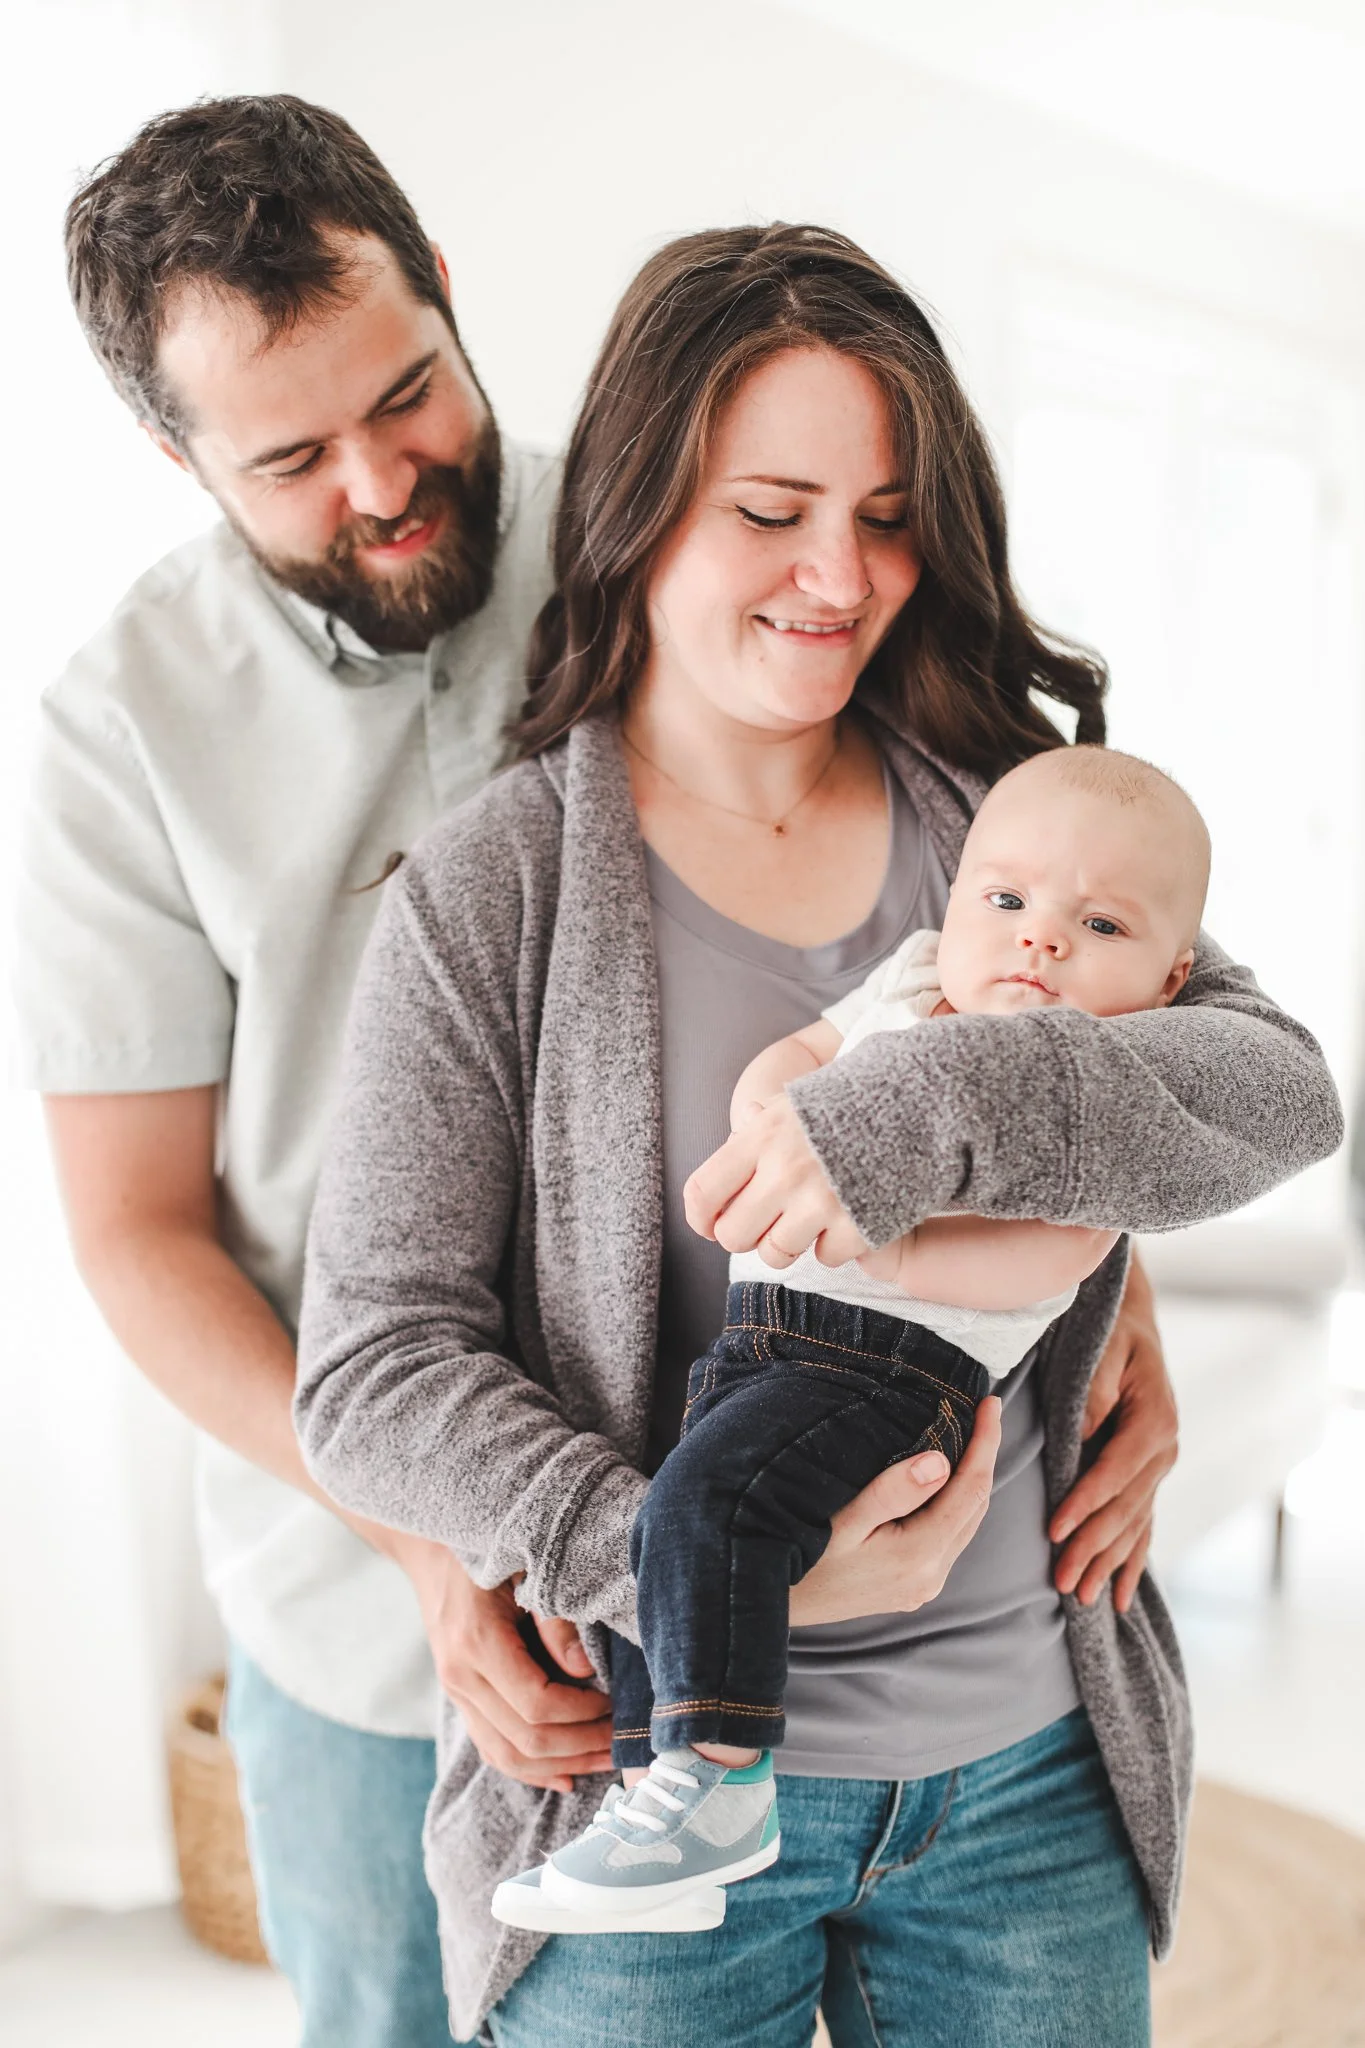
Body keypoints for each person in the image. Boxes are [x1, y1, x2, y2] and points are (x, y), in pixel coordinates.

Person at [293, 223, 1342, 2046]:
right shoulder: (495, 893)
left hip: (1025, 1787)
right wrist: (687, 1567)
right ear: (642, 503)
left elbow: (1274, 1091)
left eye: (884, 512)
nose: (838, 574)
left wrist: (924, 1103)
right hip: (644, 1806)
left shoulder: (1004, 823)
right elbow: (371, 1364)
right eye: (772, 508)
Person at [13, 93, 599, 2047]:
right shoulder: (115, 732)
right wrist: (429, 1535)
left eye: (410, 393)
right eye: (289, 456)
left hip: (704, 1541)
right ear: (172, 453)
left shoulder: (660, 535)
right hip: (354, 1625)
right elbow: (137, 1235)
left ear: (441, 287)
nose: (381, 481)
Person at [532, 746, 1210, 1920]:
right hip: (765, 1338)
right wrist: (766, 1108)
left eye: (1098, 924)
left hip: (898, 1368)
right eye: (1005, 901)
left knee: (711, 1514)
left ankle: (723, 1788)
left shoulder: (1099, 1088)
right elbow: (803, 1056)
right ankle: (653, 1792)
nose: (1038, 939)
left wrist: (870, 1236)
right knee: (657, 1537)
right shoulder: (907, 985)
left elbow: (1057, 1251)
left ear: (1170, 978)